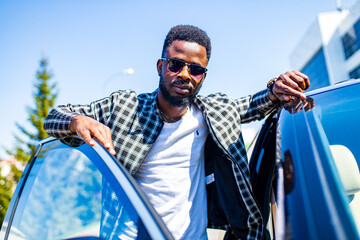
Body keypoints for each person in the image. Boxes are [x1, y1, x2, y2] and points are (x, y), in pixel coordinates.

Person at [44, 25, 310, 240]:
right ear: (160, 67)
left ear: (203, 77)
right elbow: (53, 117)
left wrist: (276, 89)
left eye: (195, 70)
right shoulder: (123, 107)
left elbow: (253, 104)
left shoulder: (213, 113)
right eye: (175, 64)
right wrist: (77, 121)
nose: (185, 75)